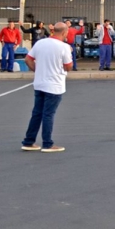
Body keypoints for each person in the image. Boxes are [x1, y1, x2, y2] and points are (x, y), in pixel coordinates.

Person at [20, 22, 73, 153]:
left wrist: (37, 71)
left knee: (37, 112)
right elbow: (69, 66)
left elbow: (28, 59)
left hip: (40, 82)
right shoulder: (64, 47)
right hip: (54, 84)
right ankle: (47, 143)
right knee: (48, 114)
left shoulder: (40, 43)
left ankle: (29, 141)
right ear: (65, 33)